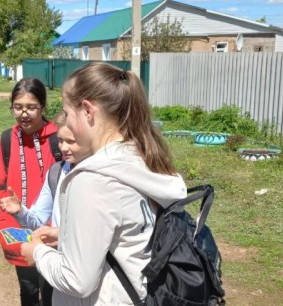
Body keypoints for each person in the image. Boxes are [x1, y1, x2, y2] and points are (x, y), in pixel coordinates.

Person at [21, 62, 188, 305]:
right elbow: (122, 232)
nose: (66, 123)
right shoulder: (139, 159)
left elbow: (76, 281)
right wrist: (67, 236)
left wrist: (38, 252)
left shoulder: (93, 180)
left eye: (67, 114)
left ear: (87, 110)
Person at [0, 78, 60, 306]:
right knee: (28, 292)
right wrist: (2, 223)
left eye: (31, 107)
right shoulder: (8, 139)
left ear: (43, 107)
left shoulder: (60, 139)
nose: (24, 114)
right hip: (19, 233)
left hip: (54, 235)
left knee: (54, 294)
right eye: (18, 107)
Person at [0, 111, 92, 231]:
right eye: (60, 140)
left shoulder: (104, 175)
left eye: (71, 141)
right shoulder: (56, 172)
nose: (63, 147)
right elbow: (38, 220)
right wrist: (20, 211)